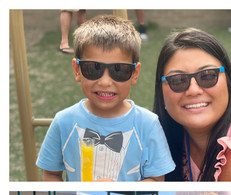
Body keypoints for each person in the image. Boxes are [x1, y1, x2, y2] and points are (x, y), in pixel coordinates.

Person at [37, 15, 175, 182]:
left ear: (134, 73)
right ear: (77, 69)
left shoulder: (148, 124)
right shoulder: (63, 121)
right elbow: (51, 173)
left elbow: (156, 179)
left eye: (119, 70)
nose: (105, 82)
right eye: (93, 68)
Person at [153, 28, 231, 182]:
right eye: (177, 80)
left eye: (207, 76)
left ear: (229, 82)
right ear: (161, 91)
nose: (193, 90)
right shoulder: (161, 139)